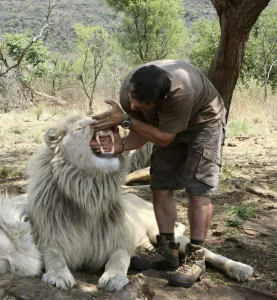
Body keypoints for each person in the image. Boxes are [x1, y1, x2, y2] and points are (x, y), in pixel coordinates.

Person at [89, 59, 226, 288]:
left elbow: (163, 137)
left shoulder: (181, 93)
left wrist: (125, 119)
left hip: (204, 123)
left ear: (161, 100)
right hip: (166, 127)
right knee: (160, 185)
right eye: (132, 101)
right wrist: (118, 146)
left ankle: (196, 257)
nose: (132, 107)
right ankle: (167, 252)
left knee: (198, 189)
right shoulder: (130, 92)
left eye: (141, 107)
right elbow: (141, 133)